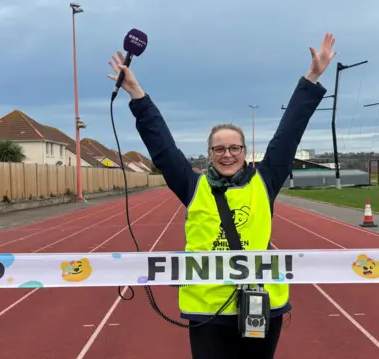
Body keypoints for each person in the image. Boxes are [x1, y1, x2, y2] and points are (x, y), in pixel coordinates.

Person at [107, 33, 336, 359]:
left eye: (234, 148)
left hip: (260, 303)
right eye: (219, 149)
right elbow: (163, 148)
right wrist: (136, 94)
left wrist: (312, 78)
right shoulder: (192, 185)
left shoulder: (265, 180)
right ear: (210, 153)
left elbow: (289, 132)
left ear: (244, 151)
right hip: (208, 308)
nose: (227, 154)